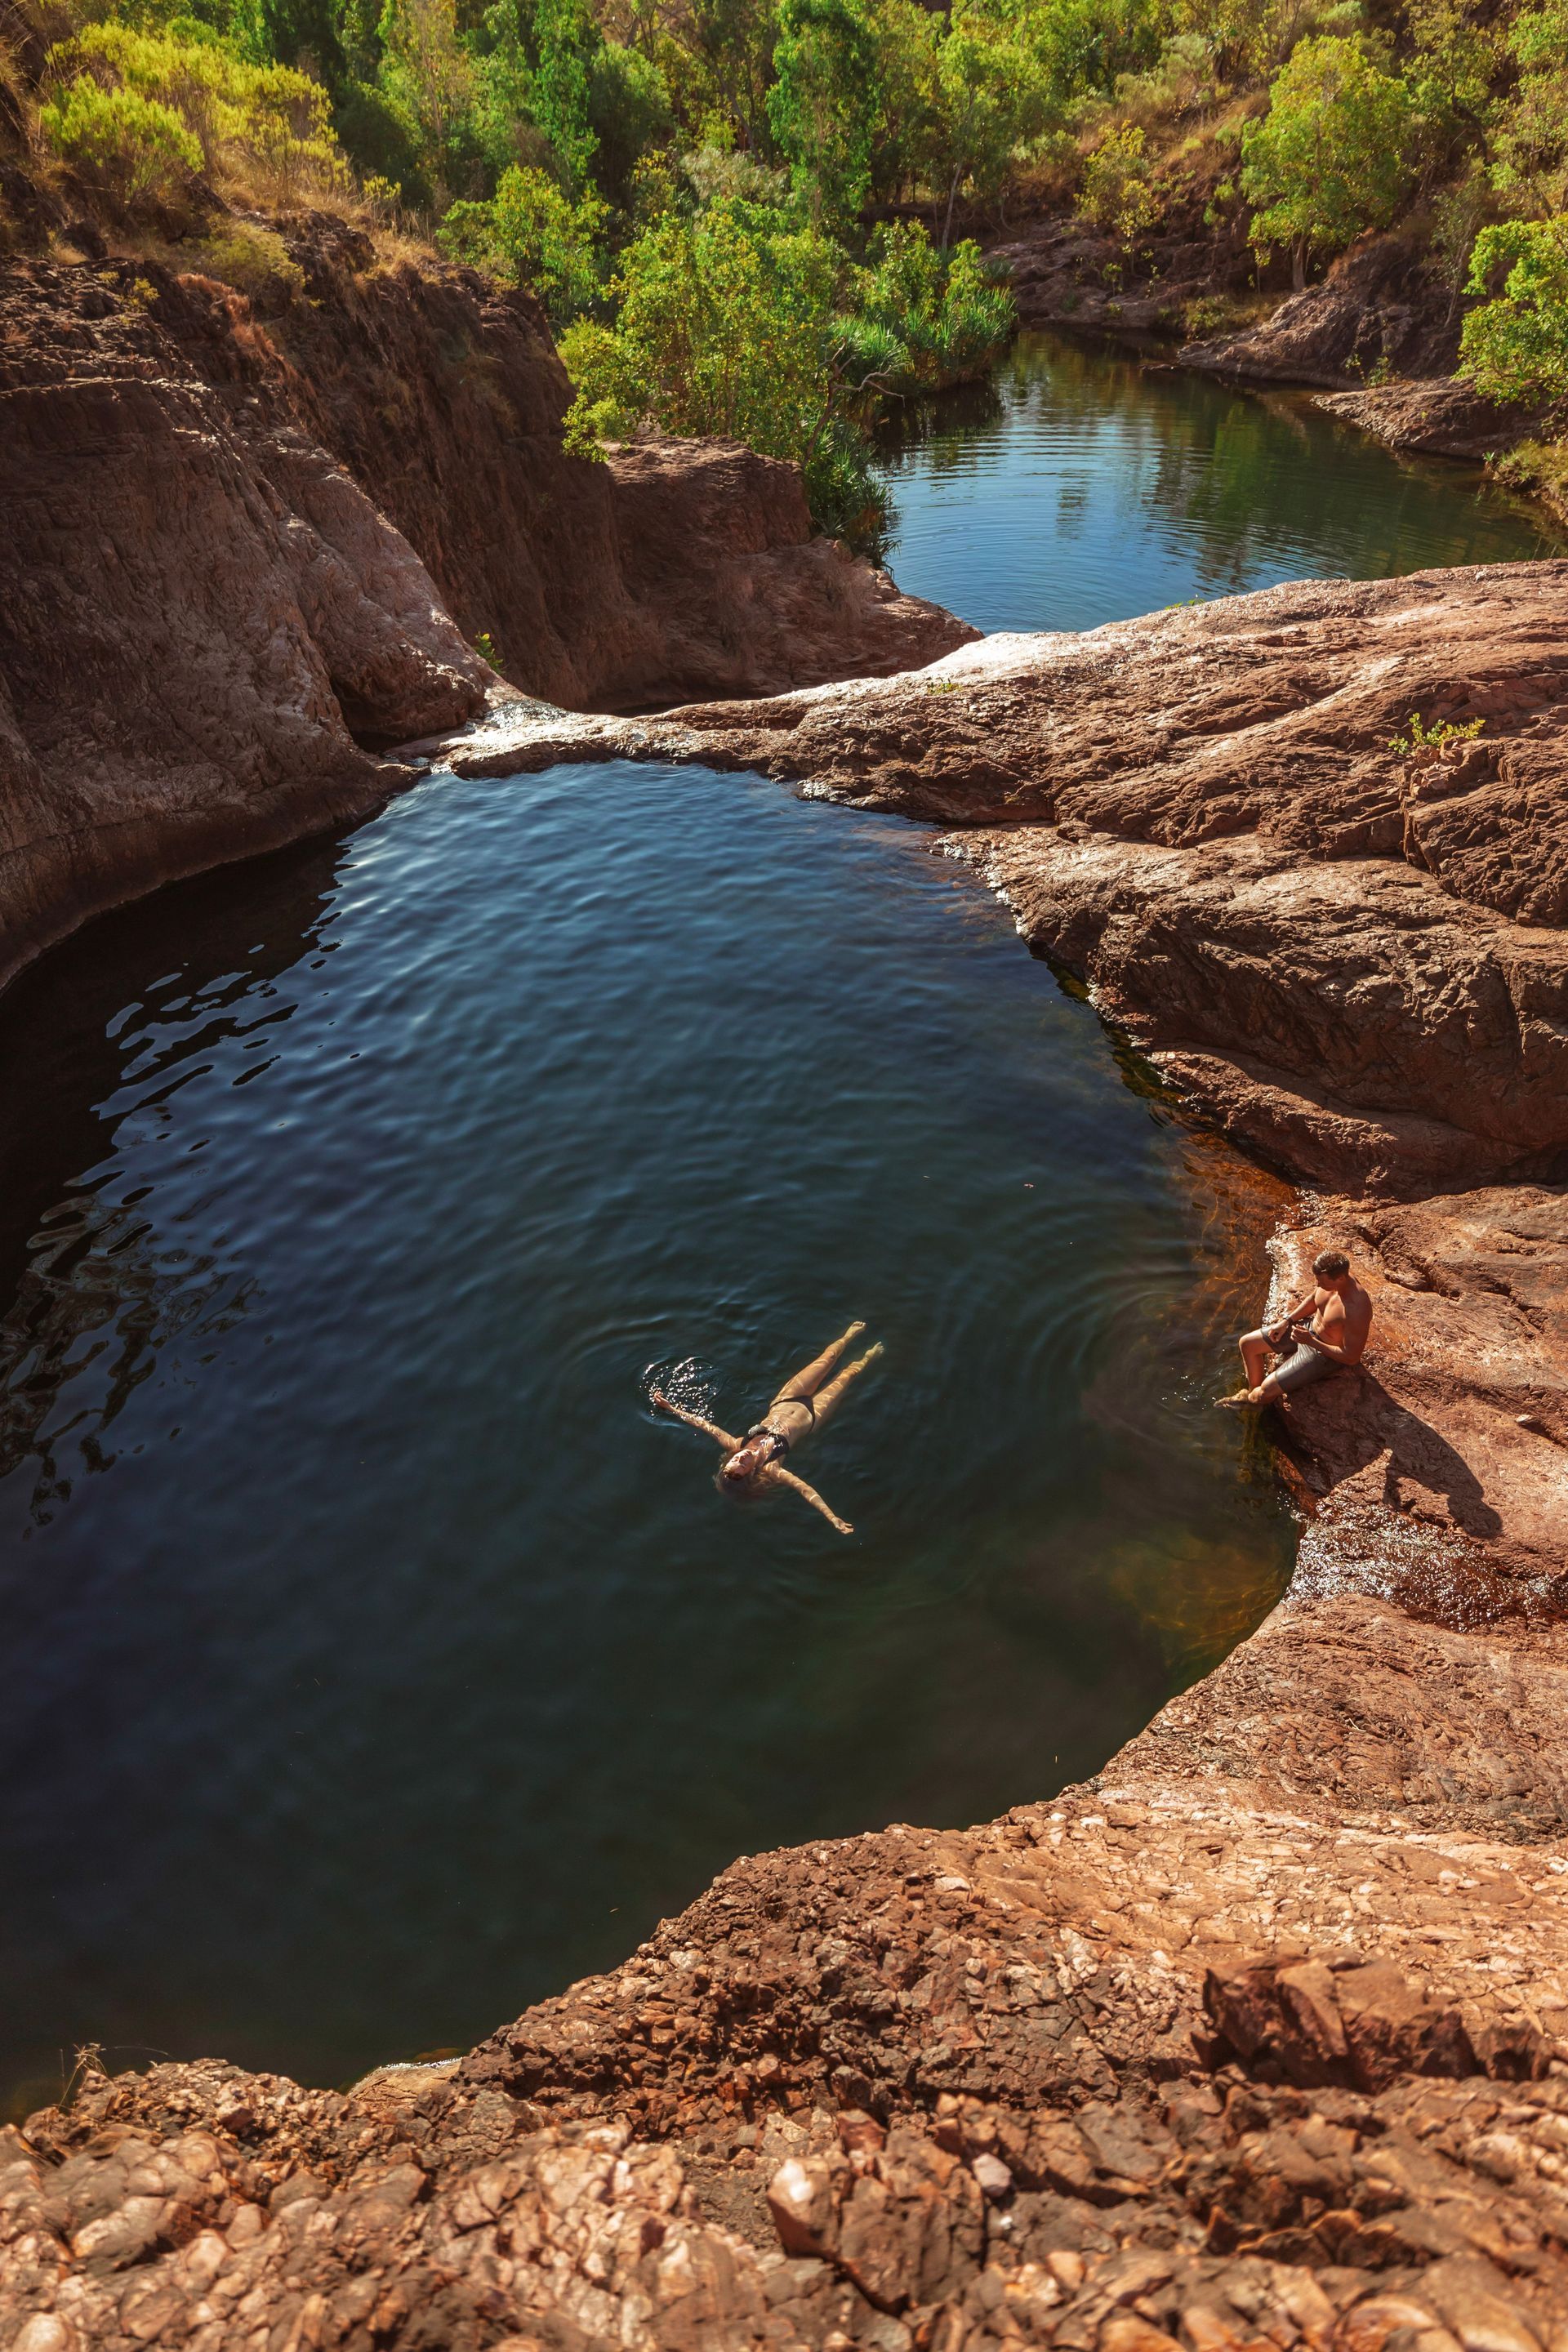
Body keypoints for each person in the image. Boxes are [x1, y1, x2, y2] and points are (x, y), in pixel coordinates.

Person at [649, 1321, 882, 1535]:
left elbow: (705, 1425)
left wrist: (671, 1407)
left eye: (736, 1459)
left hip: (787, 1399)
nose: (742, 1458)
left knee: (829, 1357)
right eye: (743, 1464)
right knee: (848, 1375)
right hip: (812, 1416)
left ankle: (848, 1336)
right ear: (751, 1473)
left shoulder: (736, 1443)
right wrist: (832, 1517)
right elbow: (805, 1490)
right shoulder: (772, 1467)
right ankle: (868, 1356)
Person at [1222, 1248, 1372, 1408]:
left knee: (1266, 1392)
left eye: (1322, 1282)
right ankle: (1252, 1391)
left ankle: (1252, 1401)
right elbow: (1314, 1299)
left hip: (1323, 1353)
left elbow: (1351, 1358)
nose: (1318, 1284)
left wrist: (1311, 1342)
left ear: (1340, 1278)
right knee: (1247, 1343)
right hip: (1307, 1330)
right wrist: (1286, 1321)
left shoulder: (1356, 1308)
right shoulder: (1333, 1284)